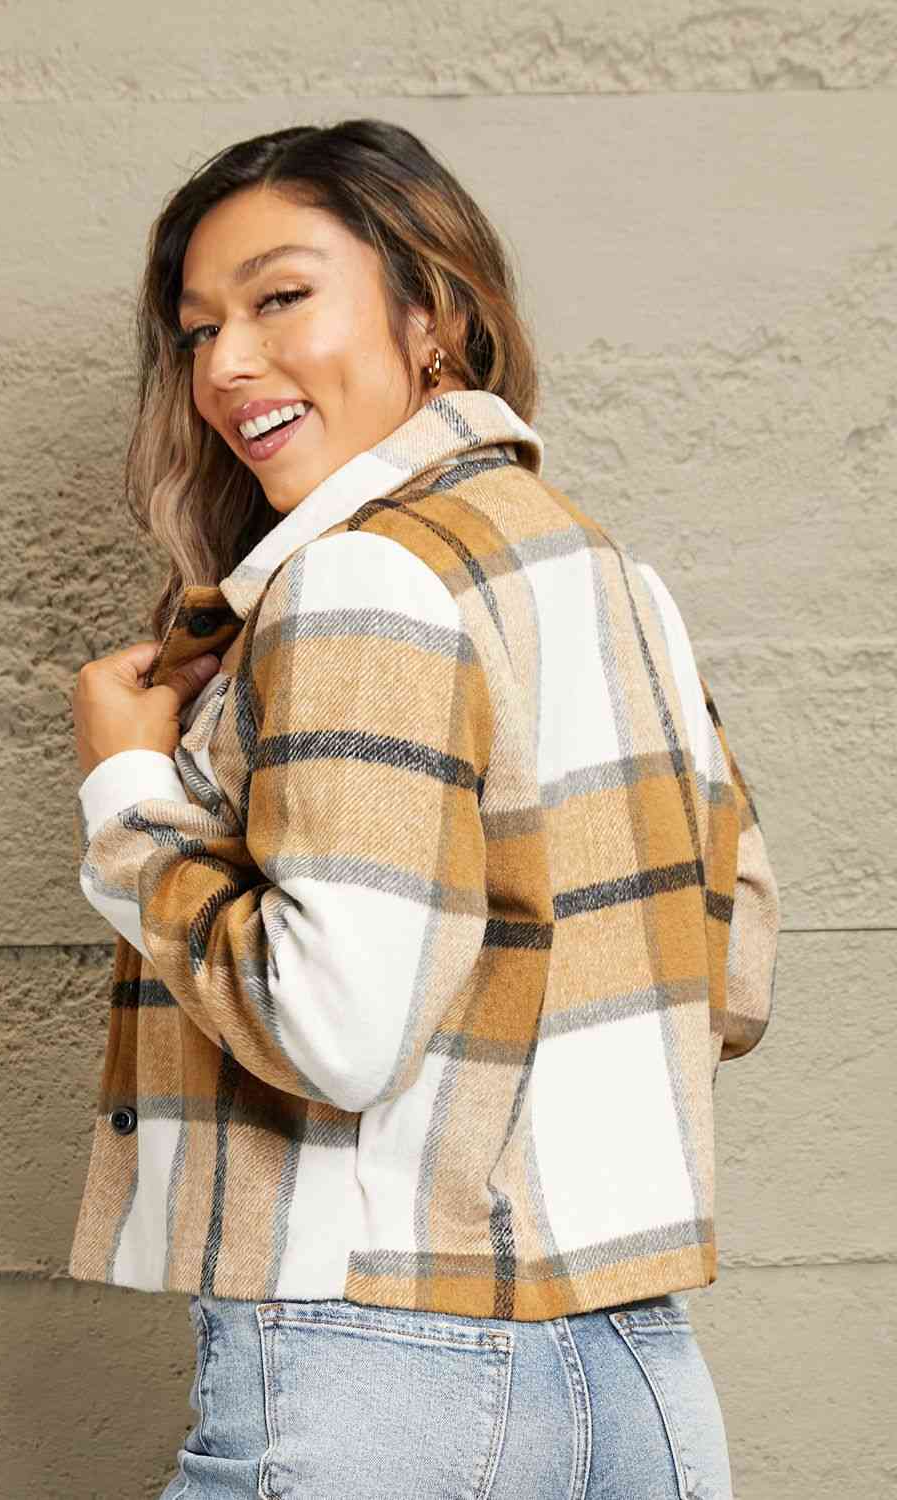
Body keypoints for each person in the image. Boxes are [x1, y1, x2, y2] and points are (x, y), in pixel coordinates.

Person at [69, 118, 780, 1500]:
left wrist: (130, 797)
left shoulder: (360, 580)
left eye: (280, 298)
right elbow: (733, 976)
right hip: (635, 1379)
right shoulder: (614, 581)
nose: (225, 366)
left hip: (381, 1375)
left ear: (434, 312)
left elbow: (335, 1034)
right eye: (198, 330)